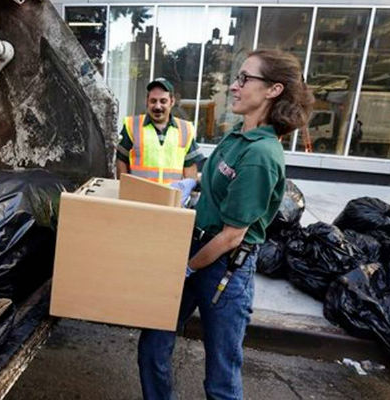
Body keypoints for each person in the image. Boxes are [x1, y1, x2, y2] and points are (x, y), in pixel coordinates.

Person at [137, 50, 314, 400]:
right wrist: (194, 184)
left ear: (272, 90)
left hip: (223, 269)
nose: (234, 86)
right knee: (153, 344)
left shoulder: (262, 155)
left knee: (220, 374)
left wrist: (186, 268)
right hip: (194, 249)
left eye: (245, 79)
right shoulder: (237, 135)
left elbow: (233, 235)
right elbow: (219, 179)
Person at [116, 78, 203, 185]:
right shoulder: (132, 125)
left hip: (170, 197)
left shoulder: (185, 129)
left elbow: (190, 167)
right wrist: (124, 188)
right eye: (153, 101)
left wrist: (188, 193)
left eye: (163, 101)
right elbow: (121, 161)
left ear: (172, 101)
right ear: (147, 102)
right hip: (138, 196)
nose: (157, 106)